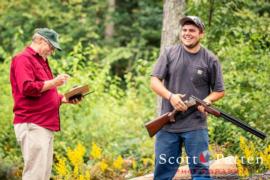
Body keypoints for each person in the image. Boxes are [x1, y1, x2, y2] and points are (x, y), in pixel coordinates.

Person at [150, 16, 225, 179]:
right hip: (168, 125)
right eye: (184, 30)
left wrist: (207, 100)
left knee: (201, 174)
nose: (187, 33)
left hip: (196, 127)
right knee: (162, 174)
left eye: (192, 30)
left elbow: (219, 90)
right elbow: (154, 81)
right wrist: (170, 97)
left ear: (201, 34)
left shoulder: (210, 59)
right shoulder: (169, 53)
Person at [10, 28, 81, 180]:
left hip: (44, 124)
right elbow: (27, 87)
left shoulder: (41, 61)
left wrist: (65, 98)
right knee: (35, 175)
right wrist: (54, 82)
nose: (52, 51)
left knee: (43, 175)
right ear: (41, 40)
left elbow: (47, 92)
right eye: (51, 47)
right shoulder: (23, 59)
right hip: (33, 122)